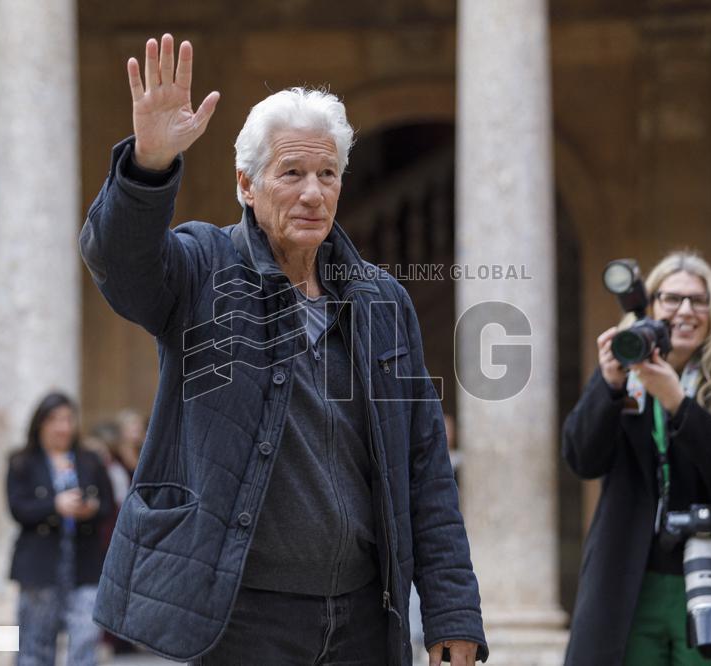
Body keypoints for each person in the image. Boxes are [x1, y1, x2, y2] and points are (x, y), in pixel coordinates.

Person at [79, 34, 486, 666]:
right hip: (240, 620)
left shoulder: (383, 300)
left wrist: (452, 612)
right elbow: (121, 265)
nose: (313, 193)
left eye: (328, 174)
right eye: (291, 173)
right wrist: (149, 166)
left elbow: (426, 467)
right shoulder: (202, 268)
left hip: (362, 617)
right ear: (246, 183)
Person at [561, 251, 711, 665]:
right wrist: (608, 387)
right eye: (671, 299)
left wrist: (678, 402)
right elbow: (581, 459)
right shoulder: (623, 378)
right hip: (628, 580)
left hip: (708, 579)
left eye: (698, 301)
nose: (685, 311)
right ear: (650, 306)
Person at [7, 392, 116, 666]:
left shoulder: (90, 459)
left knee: (85, 638)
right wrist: (55, 505)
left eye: (68, 419)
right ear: (40, 424)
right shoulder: (22, 461)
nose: (63, 427)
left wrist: (88, 509)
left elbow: (107, 503)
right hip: (40, 567)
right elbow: (18, 509)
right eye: (55, 419)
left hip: (85, 564)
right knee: (35, 645)